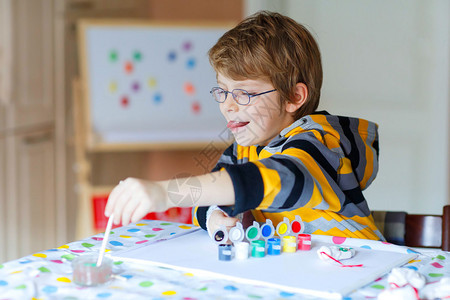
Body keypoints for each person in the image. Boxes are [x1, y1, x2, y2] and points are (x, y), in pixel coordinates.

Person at [104, 11, 384, 241]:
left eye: (244, 94)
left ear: (293, 97)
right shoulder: (243, 149)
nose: (228, 105)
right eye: (222, 91)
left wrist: (166, 192)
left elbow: (274, 180)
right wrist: (214, 216)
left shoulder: (320, 145)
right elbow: (210, 198)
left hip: (367, 274)